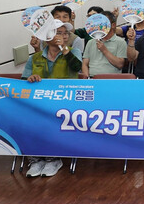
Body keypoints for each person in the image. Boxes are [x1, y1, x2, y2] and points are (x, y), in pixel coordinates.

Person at [21, 19, 82, 178]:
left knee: (51, 121)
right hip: (40, 103)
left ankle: (53, 159)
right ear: (47, 37)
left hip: (66, 102)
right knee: (26, 120)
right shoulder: (35, 58)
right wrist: (30, 78)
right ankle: (35, 160)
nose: (64, 36)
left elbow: (77, 68)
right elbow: (23, 82)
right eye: (59, 33)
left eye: (65, 33)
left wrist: (64, 49)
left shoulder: (73, 52)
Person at [82, 11, 127, 78]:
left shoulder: (121, 42)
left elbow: (120, 64)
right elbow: (85, 64)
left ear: (113, 25)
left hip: (111, 79)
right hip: (92, 79)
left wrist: (104, 50)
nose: (101, 25)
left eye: (104, 23)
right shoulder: (91, 42)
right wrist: (87, 79)